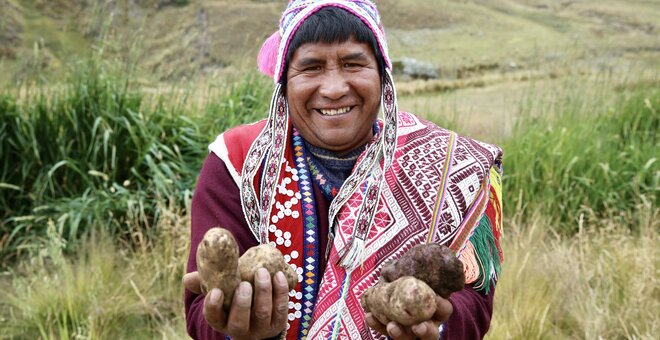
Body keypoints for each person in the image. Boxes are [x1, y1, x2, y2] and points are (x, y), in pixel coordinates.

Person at [183, 1, 503, 339]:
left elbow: (475, 301)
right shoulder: (238, 162)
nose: (334, 89)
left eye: (353, 63)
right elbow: (200, 310)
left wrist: (436, 327)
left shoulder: (450, 163)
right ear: (284, 83)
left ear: (382, 75)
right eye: (311, 67)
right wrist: (236, 329)